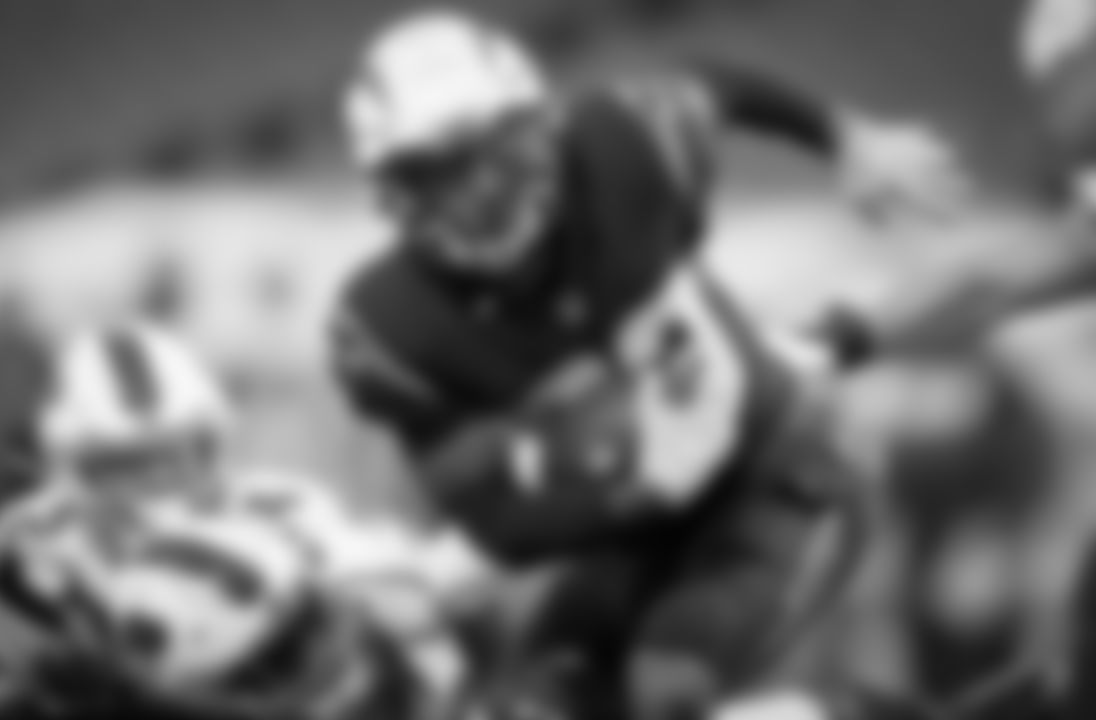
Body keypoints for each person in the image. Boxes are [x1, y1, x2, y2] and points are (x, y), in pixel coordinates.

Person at [328, 8, 967, 720]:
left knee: (668, 688)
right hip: (628, 541)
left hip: (775, 472)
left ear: (541, 129)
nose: (479, 196)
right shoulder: (395, 328)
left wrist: (844, 137)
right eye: (437, 176)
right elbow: (498, 519)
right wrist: (623, 491)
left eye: (494, 157)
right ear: (392, 196)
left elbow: (717, 86)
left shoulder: (622, 150)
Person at [0, 322, 491, 720]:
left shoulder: (282, 505)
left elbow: (400, 597)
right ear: (71, 467)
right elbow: (20, 644)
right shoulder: (37, 542)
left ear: (214, 443)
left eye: (180, 454)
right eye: (124, 464)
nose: (160, 482)